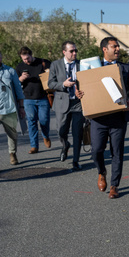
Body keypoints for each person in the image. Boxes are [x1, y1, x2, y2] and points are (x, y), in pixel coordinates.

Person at [76, 37, 129, 199]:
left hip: (118, 118)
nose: (117, 49)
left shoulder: (125, 68)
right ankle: (101, 171)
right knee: (96, 150)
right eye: (114, 47)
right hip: (99, 118)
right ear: (105, 49)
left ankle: (114, 185)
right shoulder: (91, 69)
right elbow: (83, 87)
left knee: (117, 152)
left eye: (118, 46)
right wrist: (79, 93)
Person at [47, 41, 84, 171]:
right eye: (71, 51)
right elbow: (50, 83)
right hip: (62, 102)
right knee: (61, 131)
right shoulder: (55, 65)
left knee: (77, 133)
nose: (74, 53)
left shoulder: (81, 64)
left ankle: (76, 160)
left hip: (78, 104)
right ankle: (65, 145)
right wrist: (63, 84)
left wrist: (82, 91)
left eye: (75, 51)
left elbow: (87, 82)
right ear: (64, 52)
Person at [16, 47, 52, 154]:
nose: (26, 61)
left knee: (44, 120)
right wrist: (20, 79)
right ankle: (34, 146)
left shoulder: (43, 62)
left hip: (42, 97)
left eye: (27, 58)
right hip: (28, 99)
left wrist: (48, 73)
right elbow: (15, 84)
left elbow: (52, 75)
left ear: (32, 55)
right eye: (24, 59)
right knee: (32, 122)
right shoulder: (20, 67)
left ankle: (45, 136)